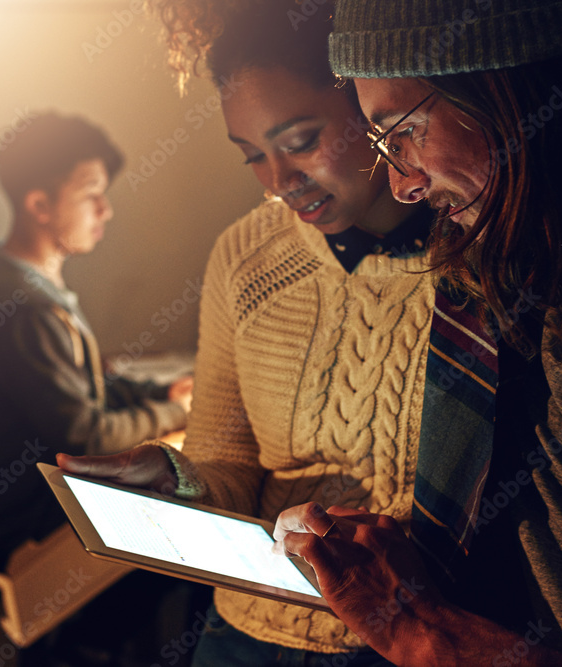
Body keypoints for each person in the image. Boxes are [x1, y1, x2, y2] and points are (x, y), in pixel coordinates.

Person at [274, 0, 562, 665]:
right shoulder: (483, 268)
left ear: (517, 92)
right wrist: (408, 567)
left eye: (402, 132)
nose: (403, 183)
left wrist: (437, 641)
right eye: (385, 149)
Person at [57, 1, 435, 664]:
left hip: (404, 635)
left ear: (370, 105)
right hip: (248, 627)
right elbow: (228, 469)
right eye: (251, 157)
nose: (280, 182)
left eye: (299, 142)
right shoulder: (245, 256)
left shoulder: (468, 243)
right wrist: (175, 479)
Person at [0, 111, 192, 567]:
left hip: (18, 498)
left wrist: (162, 392)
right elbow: (86, 437)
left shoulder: (19, 282)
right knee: (185, 518)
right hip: (18, 517)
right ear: (39, 206)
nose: (106, 210)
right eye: (90, 195)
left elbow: (87, 386)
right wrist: (177, 411)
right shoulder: (24, 311)